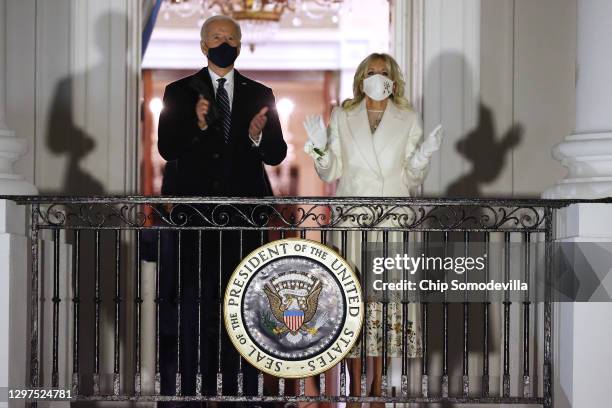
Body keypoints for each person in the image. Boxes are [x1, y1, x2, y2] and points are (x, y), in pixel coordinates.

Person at [157, 15, 287, 408]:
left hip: (244, 221)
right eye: (216, 37)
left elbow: (276, 153)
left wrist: (256, 135)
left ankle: (239, 393)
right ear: (203, 45)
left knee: (241, 307)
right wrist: (197, 126)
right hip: (192, 221)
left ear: (241, 44)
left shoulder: (260, 92)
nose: (223, 42)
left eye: (230, 37)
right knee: (192, 306)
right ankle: (189, 393)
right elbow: (168, 148)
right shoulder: (178, 92)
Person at [303, 53, 443, 406]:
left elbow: (411, 175)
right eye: (370, 72)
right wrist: (319, 147)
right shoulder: (343, 115)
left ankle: (377, 387)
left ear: (393, 78)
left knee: (385, 303)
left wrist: (424, 156)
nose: (376, 77)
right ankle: (353, 385)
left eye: (382, 72)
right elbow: (331, 171)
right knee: (353, 303)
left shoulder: (408, 117)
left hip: (392, 221)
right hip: (352, 220)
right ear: (360, 78)